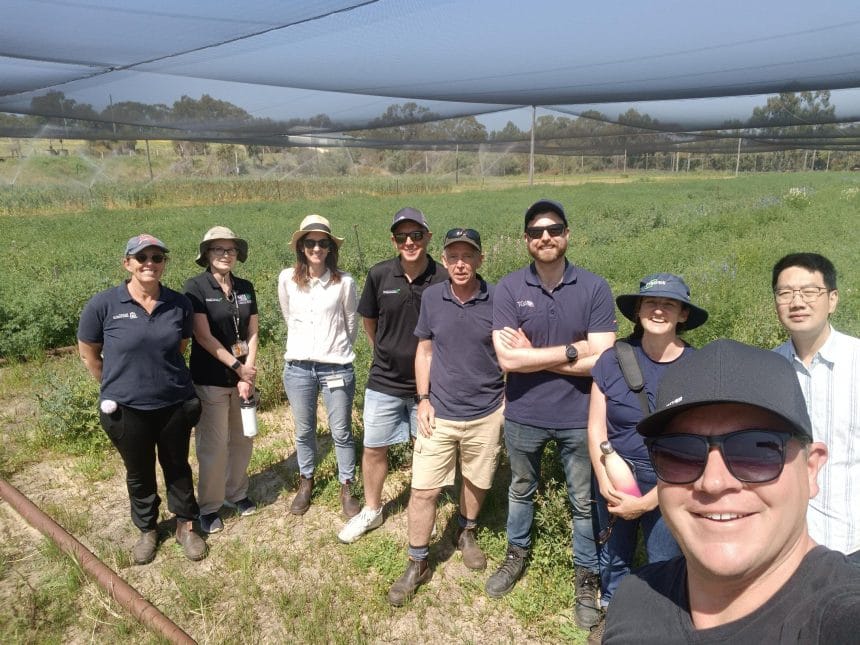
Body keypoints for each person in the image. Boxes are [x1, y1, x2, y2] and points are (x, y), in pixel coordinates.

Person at [603, 339, 860, 643]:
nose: (713, 482)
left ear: (811, 469)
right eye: (680, 453)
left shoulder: (843, 616)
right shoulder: (634, 597)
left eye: (755, 450)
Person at [488, 199, 616, 629]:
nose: (546, 237)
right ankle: (516, 555)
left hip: (581, 416)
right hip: (524, 413)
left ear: (567, 235)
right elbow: (508, 360)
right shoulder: (509, 289)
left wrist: (535, 355)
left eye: (554, 229)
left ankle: (586, 577)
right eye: (537, 231)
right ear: (527, 240)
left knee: (583, 500)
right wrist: (572, 350)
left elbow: (604, 360)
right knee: (521, 487)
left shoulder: (594, 288)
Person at [586, 273, 707, 642]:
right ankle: (612, 611)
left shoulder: (698, 368)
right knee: (614, 555)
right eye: (651, 303)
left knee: (665, 559)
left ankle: (659, 623)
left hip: (673, 481)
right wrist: (605, 476)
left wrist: (653, 500)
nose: (658, 310)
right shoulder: (612, 360)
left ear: (683, 314)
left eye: (669, 304)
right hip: (617, 472)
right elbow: (595, 428)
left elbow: (701, 443)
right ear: (637, 311)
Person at [387, 228, 504, 606]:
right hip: (439, 411)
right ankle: (417, 561)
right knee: (424, 489)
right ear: (445, 259)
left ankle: (466, 531)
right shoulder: (433, 296)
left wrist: (505, 402)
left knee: (476, 479)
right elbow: (424, 351)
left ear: (480, 260)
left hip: (486, 411)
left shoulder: (498, 299)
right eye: (452, 256)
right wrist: (422, 399)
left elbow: (512, 352)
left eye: (467, 256)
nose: (459, 263)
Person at [77, 234, 206, 564]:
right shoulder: (104, 304)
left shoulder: (179, 303)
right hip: (127, 408)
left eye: (157, 257)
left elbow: (180, 346)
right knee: (139, 471)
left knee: (177, 466)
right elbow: (90, 353)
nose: (150, 262)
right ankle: (147, 529)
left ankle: (185, 525)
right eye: (141, 257)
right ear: (127, 263)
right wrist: (115, 385)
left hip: (173, 402)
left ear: (164, 264)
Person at [337, 207, 447, 543]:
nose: (410, 242)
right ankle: (372, 509)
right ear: (394, 241)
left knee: (426, 447)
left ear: (428, 237)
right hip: (384, 380)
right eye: (402, 237)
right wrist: (384, 349)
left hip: (428, 385)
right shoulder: (379, 274)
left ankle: (424, 500)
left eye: (416, 235)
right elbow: (369, 321)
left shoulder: (443, 278)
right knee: (374, 447)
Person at [771, 252, 860, 563]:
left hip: (853, 541)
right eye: (786, 293)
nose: (797, 302)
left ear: (832, 299)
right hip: (785, 544)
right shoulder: (766, 370)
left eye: (810, 292)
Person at [278, 215, 361, 518]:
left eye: (322, 243)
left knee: (341, 431)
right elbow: (289, 316)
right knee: (304, 430)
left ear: (329, 248)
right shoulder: (287, 278)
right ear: (301, 247)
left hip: (336, 368)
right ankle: (306, 481)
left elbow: (351, 322)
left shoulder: (345, 282)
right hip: (298, 368)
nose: (316, 248)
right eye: (310, 242)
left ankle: (347, 485)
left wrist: (334, 348)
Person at [183, 226, 259, 535]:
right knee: (214, 446)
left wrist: (249, 370)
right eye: (218, 250)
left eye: (230, 250)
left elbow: (253, 331)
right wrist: (237, 368)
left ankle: (236, 493)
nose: (225, 255)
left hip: (243, 380)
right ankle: (210, 506)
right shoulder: (196, 288)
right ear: (206, 255)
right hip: (211, 380)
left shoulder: (245, 287)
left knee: (242, 441)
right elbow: (203, 336)